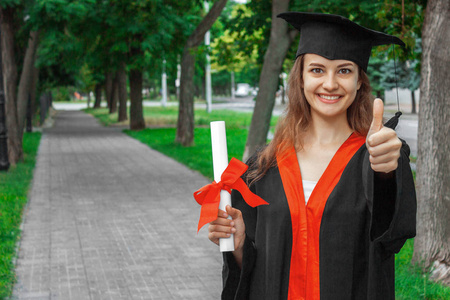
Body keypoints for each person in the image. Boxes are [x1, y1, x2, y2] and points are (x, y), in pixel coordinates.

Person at [207, 12, 417, 300]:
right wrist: (239, 244)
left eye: (344, 71)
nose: (330, 84)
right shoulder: (264, 167)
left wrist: (387, 173)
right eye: (317, 70)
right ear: (301, 78)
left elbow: (391, 236)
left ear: (359, 82)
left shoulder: (377, 158)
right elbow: (250, 272)